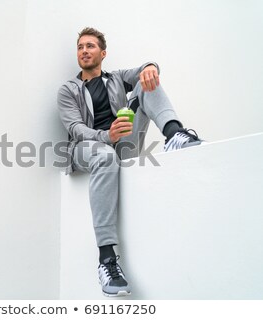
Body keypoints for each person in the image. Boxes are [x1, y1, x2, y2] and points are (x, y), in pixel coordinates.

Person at [57, 27, 202, 297]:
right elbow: (76, 128)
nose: (84, 51)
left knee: (146, 83)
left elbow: (144, 70)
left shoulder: (116, 78)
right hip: (85, 149)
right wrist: (105, 135)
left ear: (103, 53)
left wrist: (150, 67)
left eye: (90, 46)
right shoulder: (69, 90)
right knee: (104, 153)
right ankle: (107, 259)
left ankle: (174, 134)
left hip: (121, 143)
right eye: (80, 47)